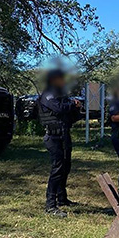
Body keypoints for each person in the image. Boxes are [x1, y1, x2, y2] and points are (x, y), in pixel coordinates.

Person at [38, 69, 82, 218]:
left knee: (65, 167)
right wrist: (72, 105)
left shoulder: (63, 97)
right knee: (57, 169)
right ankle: (50, 205)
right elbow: (59, 108)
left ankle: (62, 198)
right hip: (53, 138)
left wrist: (77, 108)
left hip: (64, 136)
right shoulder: (48, 95)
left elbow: (71, 117)